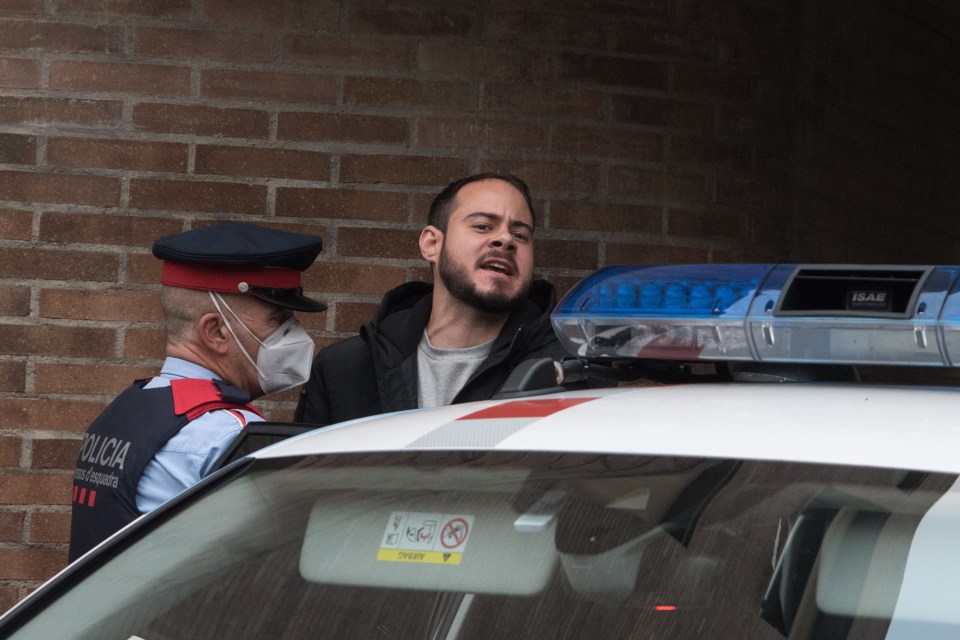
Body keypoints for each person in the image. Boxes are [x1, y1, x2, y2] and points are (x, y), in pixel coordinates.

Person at [69, 222, 326, 561]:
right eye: (279, 320)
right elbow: (267, 567)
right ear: (216, 331)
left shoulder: (122, 412)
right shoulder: (226, 433)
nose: (294, 334)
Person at [294, 173, 566, 426]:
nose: (506, 239)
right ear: (432, 244)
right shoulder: (346, 369)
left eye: (520, 235)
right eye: (483, 226)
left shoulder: (569, 370)